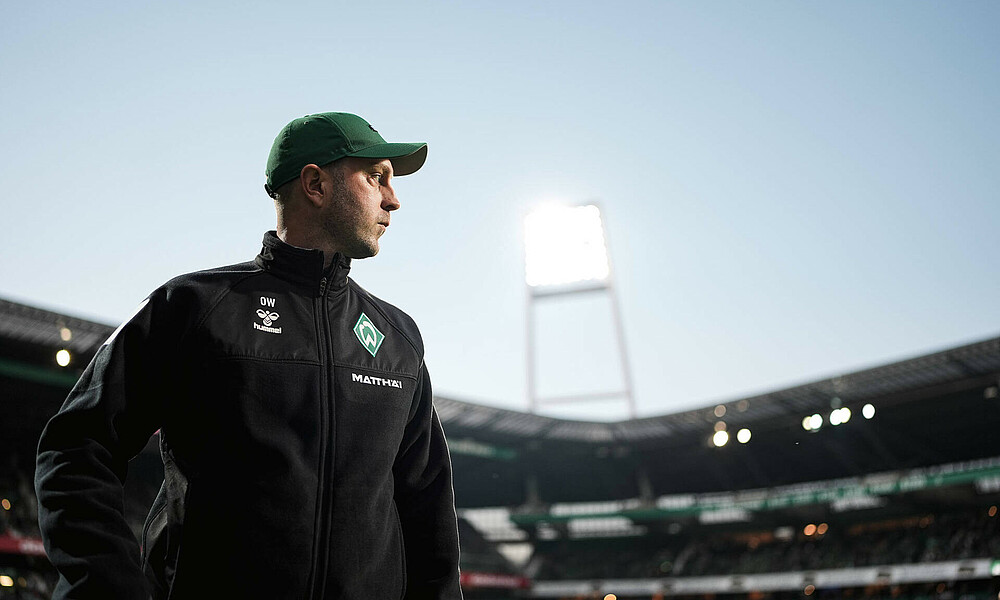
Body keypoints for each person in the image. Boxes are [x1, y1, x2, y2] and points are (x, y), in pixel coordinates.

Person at [35, 112, 463, 599]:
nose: (393, 198)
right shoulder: (193, 308)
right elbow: (77, 446)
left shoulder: (398, 339)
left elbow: (427, 506)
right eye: (375, 177)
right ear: (315, 184)